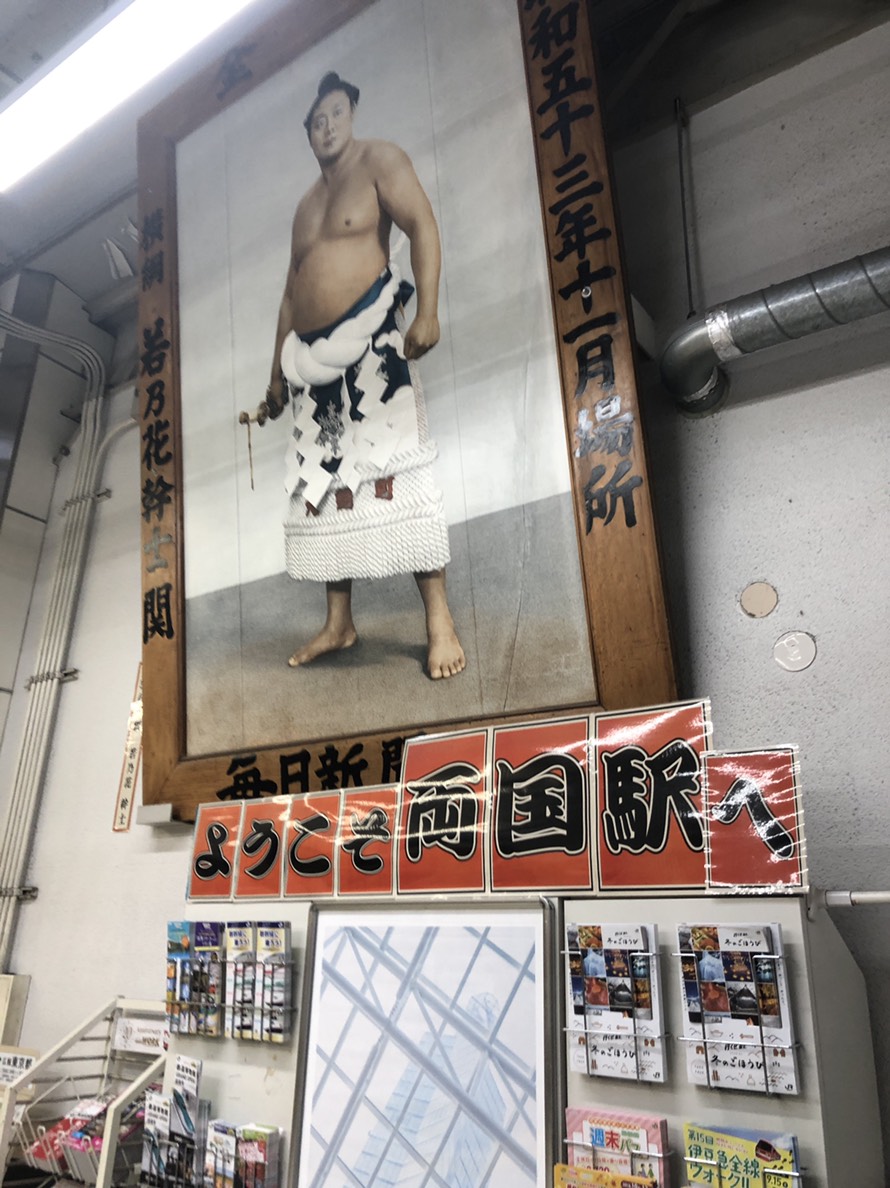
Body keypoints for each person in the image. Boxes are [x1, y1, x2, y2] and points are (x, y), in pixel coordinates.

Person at [258, 71, 465, 680]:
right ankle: (339, 623)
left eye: (336, 113)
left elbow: (421, 223)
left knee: (397, 471)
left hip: (373, 342)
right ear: (308, 132)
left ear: (351, 112)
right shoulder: (305, 207)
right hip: (310, 364)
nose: (327, 127)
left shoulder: (380, 160)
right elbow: (291, 294)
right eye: (316, 121)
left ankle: (439, 621)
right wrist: (275, 377)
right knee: (326, 485)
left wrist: (427, 310)